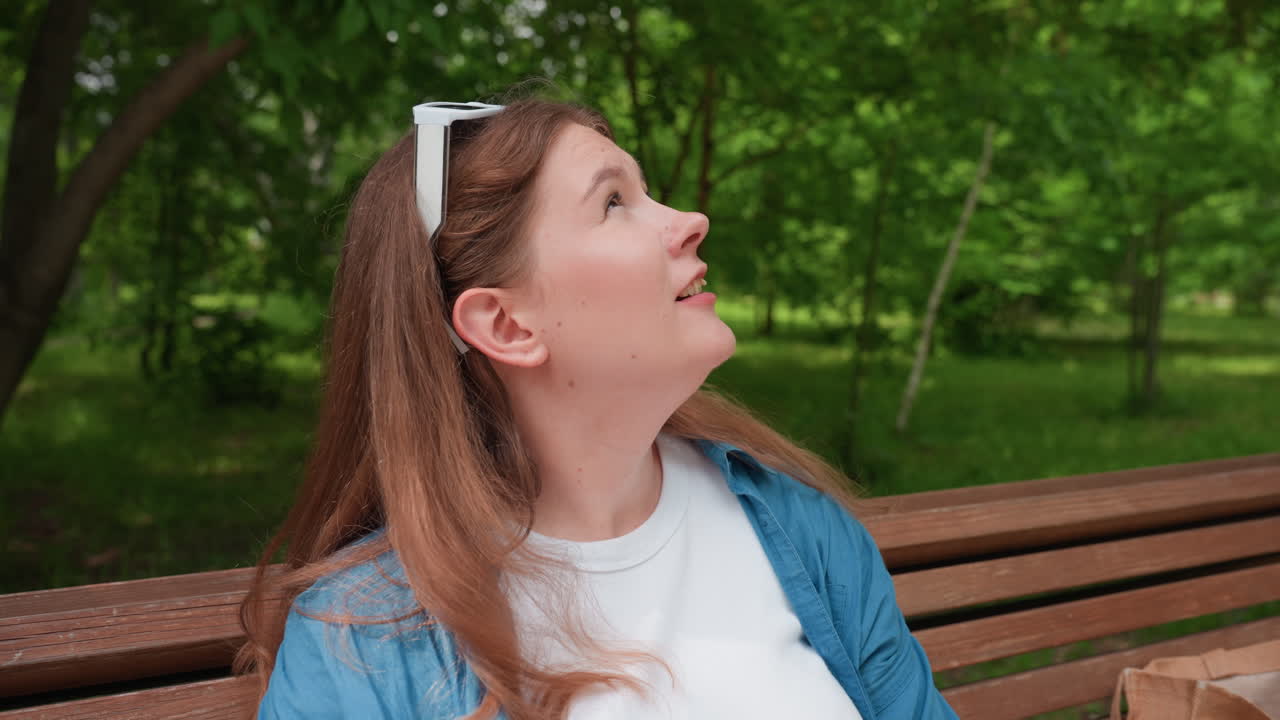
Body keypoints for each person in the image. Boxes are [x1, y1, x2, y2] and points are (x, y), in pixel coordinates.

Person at [238, 93, 958, 720]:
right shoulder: (361, 641)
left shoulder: (801, 531)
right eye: (615, 202)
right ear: (507, 326)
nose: (691, 219)